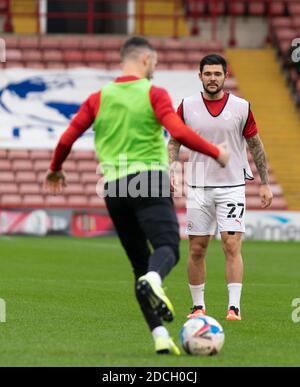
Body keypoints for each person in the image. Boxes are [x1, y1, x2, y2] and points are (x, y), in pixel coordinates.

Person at [44, 37, 229, 355]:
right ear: (144, 59)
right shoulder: (153, 93)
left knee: (139, 267)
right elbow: (179, 131)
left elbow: (66, 138)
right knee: (168, 248)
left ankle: (159, 334)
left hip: (114, 188)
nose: (155, 68)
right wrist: (216, 152)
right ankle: (155, 279)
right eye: (154, 62)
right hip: (148, 180)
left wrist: (55, 170)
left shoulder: (98, 98)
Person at [168, 54, 273, 321]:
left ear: (225, 76)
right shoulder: (187, 106)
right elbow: (174, 143)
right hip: (198, 187)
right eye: (208, 74)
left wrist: (264, 182)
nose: (212, 78)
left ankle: (234, 307)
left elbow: (256, 145)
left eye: (217, 74)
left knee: (231, 244)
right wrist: (171, 169)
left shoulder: (241, 107)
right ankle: (197, 306)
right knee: (197, 248)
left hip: (232, 186)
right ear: (200, 76)